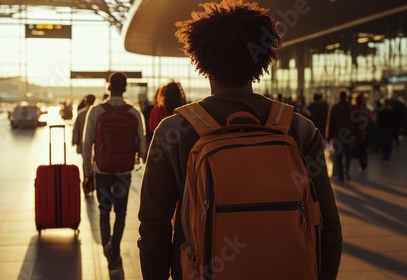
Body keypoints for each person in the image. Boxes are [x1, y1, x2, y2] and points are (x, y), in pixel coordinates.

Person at [137, 1, 342, 280]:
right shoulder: (298, 128)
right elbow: (329, 226)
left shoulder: (174, 131)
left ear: (200, 60)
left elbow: (154, 227)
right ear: (263, 57)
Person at [82, 72, 147, 270]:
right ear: (125, 88)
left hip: (102, 169)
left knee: (103, 211)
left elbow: (87, 144)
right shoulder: (134, 113)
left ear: (108, 87)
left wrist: (87, 173)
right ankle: (115, 249)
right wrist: (141, 160)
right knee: (120, 212)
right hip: (123, 171)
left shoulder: (96, 111)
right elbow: (142, 144)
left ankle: (106, 246)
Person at [326, 91, 356, 180]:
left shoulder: (334, 107)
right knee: (348, 154)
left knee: (338, 155)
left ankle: (340, 175)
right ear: (346, 97)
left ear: (339, 97)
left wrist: (328, 136)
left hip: (337, 135)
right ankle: (346, 167)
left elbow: (330, 123)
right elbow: (355, 122)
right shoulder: (351, 107)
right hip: (349, 135)